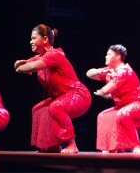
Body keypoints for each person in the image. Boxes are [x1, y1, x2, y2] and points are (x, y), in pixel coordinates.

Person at [14, 24, 91, 153]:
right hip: (62, 97)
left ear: (45, 39)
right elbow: (19, 64)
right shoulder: (39, 57)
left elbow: (30, 67)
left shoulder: (54, 54)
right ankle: (51, 145)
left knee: (55, 107)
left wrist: (21, 67)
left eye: (33, 38)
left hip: (78, 94)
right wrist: (19, 65)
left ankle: (72, 143)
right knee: (38, 109)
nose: (30, 41)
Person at [86, 44, 140, 154]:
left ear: (117, 56)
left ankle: (136, 146)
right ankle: (111, 147)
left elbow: (106, 90)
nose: (106, 57)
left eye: (108, 54)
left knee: (124, 114)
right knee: (103, 116)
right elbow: (89, 74)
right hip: (122, 106)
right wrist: (101, 71)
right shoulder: (109, 70)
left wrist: (102, 93)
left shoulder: (124, 71)